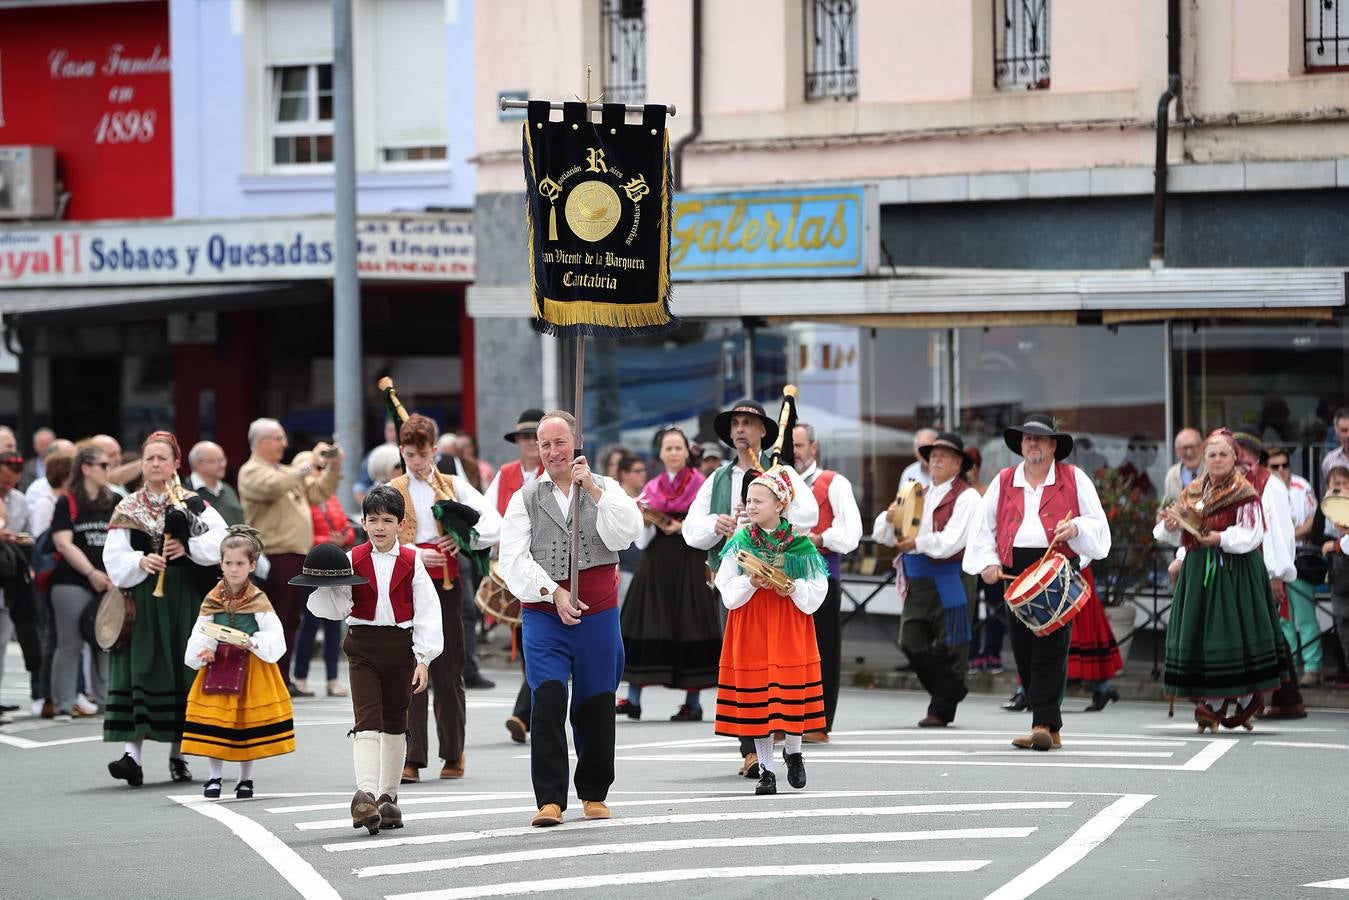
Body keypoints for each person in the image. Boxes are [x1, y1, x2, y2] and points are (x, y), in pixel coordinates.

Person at [498, 411, 642, 827]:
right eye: (545, 445)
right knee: (548, 700)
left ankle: (594, 792)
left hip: (598, 614)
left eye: (559, 442)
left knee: (596, 701)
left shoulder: (606, 487)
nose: (553, 451)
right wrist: (553, 592)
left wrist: (593, 489)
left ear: (575, 441)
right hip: (545, 616)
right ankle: (549, 800)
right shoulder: (524, 497)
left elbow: (627, 532)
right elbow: (512, 561)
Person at [682, 399, 818, 778]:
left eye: (747, 423)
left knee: (784, 665)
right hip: (739, 580)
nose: (740, 429)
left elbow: (810, 517)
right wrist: (720, 524)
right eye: (735, 424)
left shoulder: (782, 471)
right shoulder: (718, 479)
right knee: (748, 666)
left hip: (782, 577)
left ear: (764, 431)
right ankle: (753, 751)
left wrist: (773, 507)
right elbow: (691, 532)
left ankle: (788, 745)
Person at [964, 415, 1112, 751]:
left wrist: (1076, 529)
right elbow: (983, 529)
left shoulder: (1075, 478)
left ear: (1053, 446)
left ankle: (1043, 723)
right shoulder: (1003, 481)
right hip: (1015, 572)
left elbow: (1097, 525)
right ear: (1020, 445)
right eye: (1028, 439)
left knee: (1051, 647)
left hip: (1056, 569)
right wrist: (987, 562)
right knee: (1023, 649)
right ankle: (1049, 725)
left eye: (1040, 439)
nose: (1033, 444)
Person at [303, 486, 443, 834]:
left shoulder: (412, 561)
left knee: (396, 721)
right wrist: (326, 586)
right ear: (363, 522)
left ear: (400, 524)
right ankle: (364, 793)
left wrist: (423, 659)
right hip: (363, 646)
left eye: (387, 520)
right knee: (366, 719)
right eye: (372, 520)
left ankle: (388, 798)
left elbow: (428, 611)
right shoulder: (351, 560)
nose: (379, 527)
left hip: (401, 648)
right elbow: (337, 607)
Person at [102, 431, 230, 787]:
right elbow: (113, 555)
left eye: (162, 458)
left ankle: (178, 755)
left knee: (182, 669)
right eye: (149, 458)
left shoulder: (193, 503)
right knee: (140, 668)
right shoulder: (128, 507)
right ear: (141, 464)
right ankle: (132, 755)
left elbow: (223, 539)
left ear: (175, 463)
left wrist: (187, 547)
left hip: (184, 597)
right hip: (144, 599)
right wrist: (140, 561)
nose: (155, 464)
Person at [389, 414, 501, 783]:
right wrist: (413, 551)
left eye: (422, 454)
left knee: (448, 668)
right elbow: (375, 533)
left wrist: (464, 539)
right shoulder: (393, 489)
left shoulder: (453, 486)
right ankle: (411, 756)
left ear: (435, 450)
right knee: (409, 669)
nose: (416, 462)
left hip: (447, 586)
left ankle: (454, 753)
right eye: (409, 454)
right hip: (406, 583)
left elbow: (492, 522)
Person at [1155, 430, 1289, 731]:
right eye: (1211, 455)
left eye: (1223, 454)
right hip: (1198, 569)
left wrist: (1220, 538)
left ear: (1234, 458)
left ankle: (1235, 700)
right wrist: (1169, 525)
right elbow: (1168, 531)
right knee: (1204, 633)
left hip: (1235, 570)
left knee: (1232, 633)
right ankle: (1217, 701)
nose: (1216, 460)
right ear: (1204, 459)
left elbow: (1252, 534)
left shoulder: (1244, 492)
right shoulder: (1191, 491)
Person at [714, 467, 828, 795]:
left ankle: (794, 752)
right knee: (759, 698)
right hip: (751, 623)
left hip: (789, 621)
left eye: (758, 500)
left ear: (780, 504)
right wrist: (750, 582)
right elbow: (725, 583)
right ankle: (767, 770)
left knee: (790, 693)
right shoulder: (741, 541)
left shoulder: (800, 544)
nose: (750, 506)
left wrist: (791, 588)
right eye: (748, 500)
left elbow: (818, 587)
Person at [873, 432, 980, 727]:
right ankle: (951, 690)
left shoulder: (968, 497)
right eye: (933, 454)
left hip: (951, 577)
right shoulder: (917, 490)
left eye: (944, 455)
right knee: (911, 640)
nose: (936, 459)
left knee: (952, 645)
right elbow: (884, 534)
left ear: (958, 464)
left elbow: (953, 541)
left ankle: (941, 709)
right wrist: (889, 517)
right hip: (918, 576)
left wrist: (916, 543)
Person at [182, 526, 295, 799]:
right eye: (228, 563)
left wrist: (253, 642)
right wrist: (204, 649)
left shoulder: (257, 598)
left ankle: (246, 779)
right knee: (216, 721)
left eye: (240, 563)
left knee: (247, 722)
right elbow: (202, 628)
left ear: (251, 565)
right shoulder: (213, 598)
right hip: (218, 665)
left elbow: (273, 632)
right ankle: (214, 777)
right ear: (221, 564)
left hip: (250, 667)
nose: (234, 569)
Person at [237, 418, 343, 695]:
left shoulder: (286, 471)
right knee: (275, 619)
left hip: (297, 554)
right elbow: (273, 486)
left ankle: (283, 677)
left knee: (291, 621)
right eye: (279, 438)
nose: (284, 444)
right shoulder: (252, 471)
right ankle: (269, 678)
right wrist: (307, 465)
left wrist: (332, 467)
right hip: (275, 554)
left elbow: (318, 492)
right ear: (261, 442)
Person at [618, 427, 716, 722]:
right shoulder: (653, 488)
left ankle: (693, 702)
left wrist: (682, 527)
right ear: (660, 454)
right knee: (644, 621)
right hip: (657, 563)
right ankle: (633, 699)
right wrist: (648, 522)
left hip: (691, 560)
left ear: (687, 452)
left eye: (678, 448)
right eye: (668, 448)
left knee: (692, 625)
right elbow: (641, 538)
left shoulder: (702, 485)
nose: (673, 453)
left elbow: (711, 524)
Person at [791, 423, 861, 740]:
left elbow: (851, 533)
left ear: (814, 448)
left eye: (800, 445)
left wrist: (820, 536)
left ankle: (819, 721)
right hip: (784, 576)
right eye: (790, 445)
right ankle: (788, 718)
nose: (795, 452)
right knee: (789, 650)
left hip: (822, 572)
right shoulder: (778, 481)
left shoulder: (833, 482)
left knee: (823, 648)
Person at [1231, 427, 1306, 720]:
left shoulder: (1269, 484)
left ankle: (1283, 698)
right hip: (1248, 567)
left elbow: (1280, 532)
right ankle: (1280, 697)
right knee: (1263, 635)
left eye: (1239, 453)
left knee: (1266, 635)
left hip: (1263, 568)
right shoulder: (1244, 482)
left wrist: (1277, 574)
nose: (1236, 459)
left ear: (1252, 455)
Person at [485, 408, 545, 744]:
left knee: (536, 642)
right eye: (523, 438)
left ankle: (524, 712)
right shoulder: (505, 474)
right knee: (528, 645)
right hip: (514, 570)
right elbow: (488, 518)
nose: (528, 444)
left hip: (546, 567)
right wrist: (497, 541)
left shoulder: (553, 471)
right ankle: (534, 709)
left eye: (532, 437)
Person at [47, 446, 115, 721]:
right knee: (70, 643)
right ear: (86, 468)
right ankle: (63, 704)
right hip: (72, 580)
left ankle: (107, 701)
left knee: (106, 640)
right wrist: (91, 572)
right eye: (103, 465)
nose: (108, 470)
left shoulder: (113, 501)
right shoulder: (67, 501)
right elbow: (62, 542)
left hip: (108, 582)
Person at [290, 450, 355, 698]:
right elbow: (302, 533)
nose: (317, 473)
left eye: (319, 468)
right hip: (312, 565)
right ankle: (302, 675)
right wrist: (326, 539)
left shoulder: (330, 496)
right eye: (313, 468)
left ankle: (332, 678)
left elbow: (345, 526)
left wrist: (344, 537)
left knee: (334, 623)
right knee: (310, 621)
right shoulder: (301, 499)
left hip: (335, 563)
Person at [1270, 446, 1322, 686]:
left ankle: (1312, 667)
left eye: (1284, 465)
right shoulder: (1266, 488)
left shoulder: (1302, 487)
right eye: (1275, 466)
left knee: (1305, 616)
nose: (1281, 470)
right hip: (1275, 562)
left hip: (1299, 558)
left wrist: (1286, 535)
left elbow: (1312, 523)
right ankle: (1288, 669)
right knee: (1283, 619)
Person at [1316, 466, 1349, 688]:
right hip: (1340, 575)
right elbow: (1320, 531)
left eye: (1346, 484)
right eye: (1336, 486)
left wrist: (1337, 545)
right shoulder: (1332, 510)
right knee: (1343, 622)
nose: (1342, 490)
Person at [188, 441, 246, 526]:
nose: (223, 465)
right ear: (199, 464)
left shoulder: (228, 489)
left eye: (223, 460)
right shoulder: (184, 491)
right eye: (217, 461)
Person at [354, 419, 398, 507]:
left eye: (397, 430)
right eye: (390, 430)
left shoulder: (413, 455)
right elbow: (359, 489)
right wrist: (372, 511)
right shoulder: (374, 455)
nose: (394, 435)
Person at [1162, 427, 1204, 508]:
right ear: (1177, 451)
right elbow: (1165, 506)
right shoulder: (1172, 474)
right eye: (1184, 448)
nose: (1189, 452)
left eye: (1192, 447)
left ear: (1201, 447)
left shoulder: (1212, 471)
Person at [19, 427, 55, 492]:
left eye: (48, 444)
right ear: (35, 446)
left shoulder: (62, 464)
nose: (46, 448)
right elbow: (23, 490)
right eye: (42, 445)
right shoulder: (27, 467)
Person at [1321, 407, 1349, 484]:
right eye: (1344, 430)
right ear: (1336, 432)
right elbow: (1330, 492)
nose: (1348, 435)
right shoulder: (1329, 460)